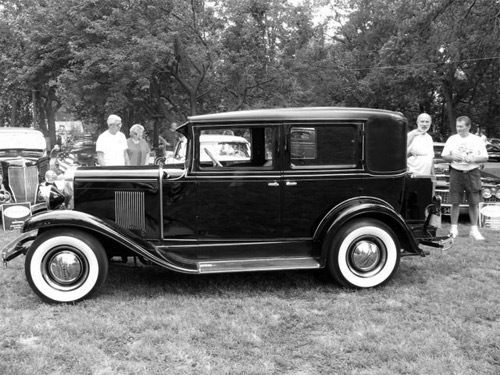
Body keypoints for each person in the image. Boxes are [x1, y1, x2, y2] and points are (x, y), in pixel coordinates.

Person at [441, 116, 489, 240]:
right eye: (457, 126)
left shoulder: (477, 140)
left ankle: (474, 230)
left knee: (474, 202)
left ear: (468, 126)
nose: (459, 129)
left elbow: (485, 157)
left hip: (472, 172)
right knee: (455, 201)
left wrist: (473, 159)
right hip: (456, 172)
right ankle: (453, 229)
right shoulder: (452, 139)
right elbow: (444, 156)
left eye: (461, 127)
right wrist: (452, 157)